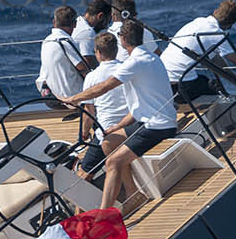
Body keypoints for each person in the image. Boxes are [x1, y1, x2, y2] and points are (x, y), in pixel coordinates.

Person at [64, 23, 179, 211]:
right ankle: (133, 194)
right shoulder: (152, 58)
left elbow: (105, 86)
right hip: (151, 121)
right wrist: (116, 127)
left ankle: (104, 215)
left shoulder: (135, 63)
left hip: (155, 127)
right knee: (108, 141)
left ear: (123, 41)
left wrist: (73, 99)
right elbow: (137, 109)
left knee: (113, 161)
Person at [161, 0, 236, 101]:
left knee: (212, 85)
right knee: (221, 99)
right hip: (179, 85)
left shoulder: (198, 22)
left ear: (215, 11)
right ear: (231, 24)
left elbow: (218, 65)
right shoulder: (216, 34)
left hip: (161, 77)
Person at [75, 32, 129, 184]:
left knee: (83, 174)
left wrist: (84, 134)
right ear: (116, 50)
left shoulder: (92, 77)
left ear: (98, 53)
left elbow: (89, 112)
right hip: (131, 126)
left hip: (106, 132)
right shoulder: (127, 69)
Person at [37, 5, 89, 103]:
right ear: (75, 24)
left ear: (54, 22)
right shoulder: (66, 41)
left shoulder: (46, 41)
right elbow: (82, 68)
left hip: (49, 97)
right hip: (69, 98)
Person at [73, 0, 114, 66]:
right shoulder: (87, 32)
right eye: (108, 21)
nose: (106, 26)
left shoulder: (78, 22)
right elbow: (89, 63)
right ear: (100, 16)